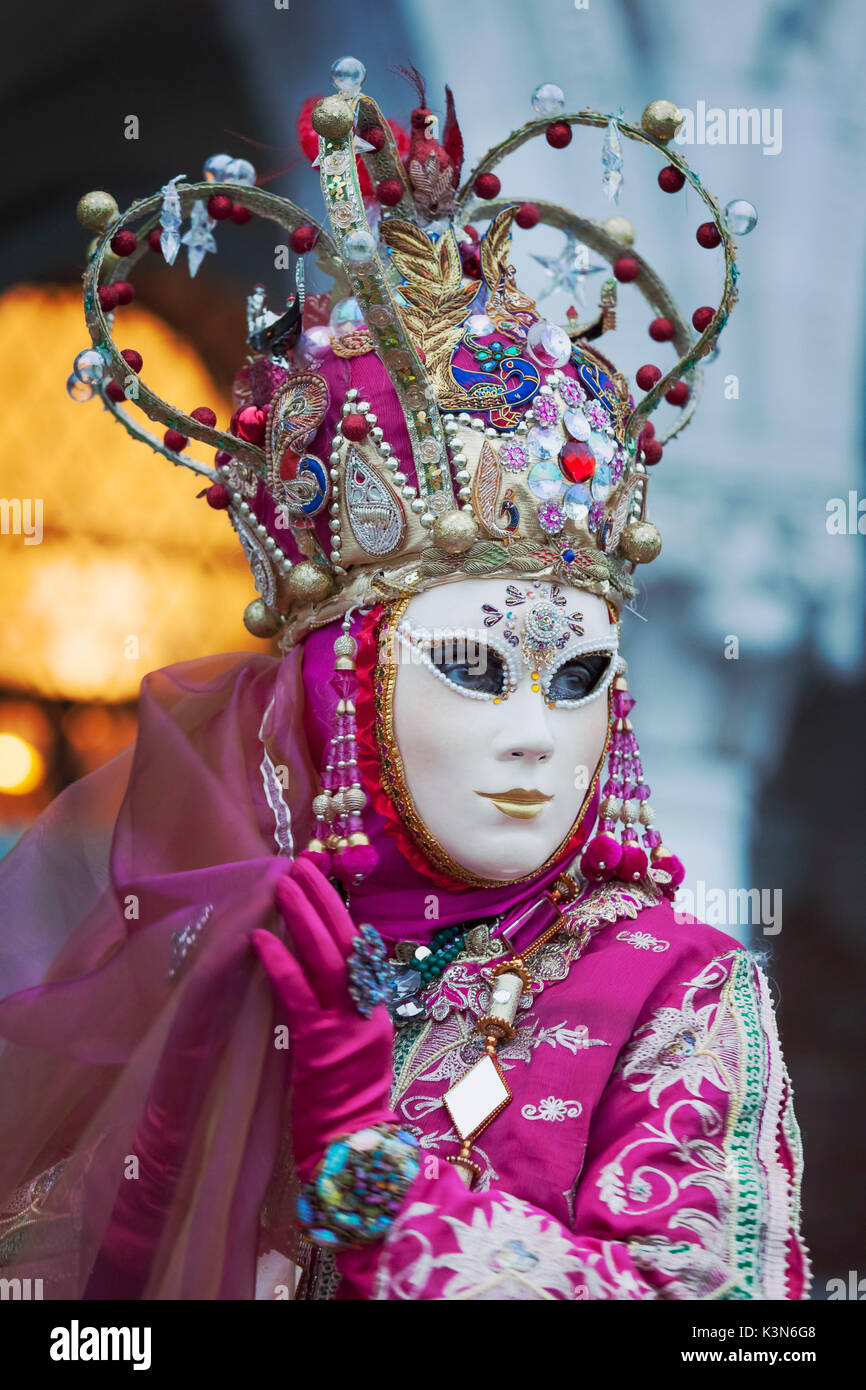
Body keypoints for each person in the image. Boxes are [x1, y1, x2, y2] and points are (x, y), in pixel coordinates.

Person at [0, 61, 809, 1300]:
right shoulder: (222, 960)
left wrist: (371, 1173)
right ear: (335, 693)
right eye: (477, 669)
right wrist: (140, 1209)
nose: (538, 736)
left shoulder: (674, 993)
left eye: (578, 675)